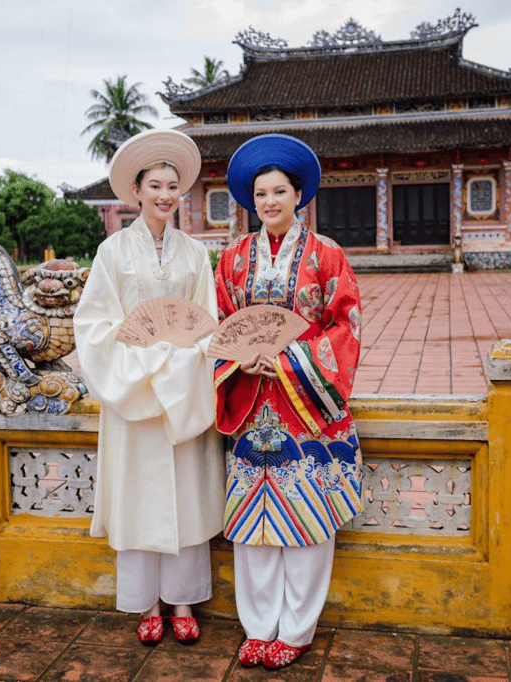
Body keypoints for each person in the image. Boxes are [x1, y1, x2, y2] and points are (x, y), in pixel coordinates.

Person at [214, 134, 363, 670]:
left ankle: (296, 630)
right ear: (251, 201)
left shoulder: (329, 256)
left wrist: (289, 360)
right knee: (252, 526)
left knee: (306, 521)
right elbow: (220, 330)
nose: (270, 202)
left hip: (309, 412)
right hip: (253, 409)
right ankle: (257, 628)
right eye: (261, 193)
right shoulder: (231, 261)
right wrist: (237, 361)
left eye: (280, 191)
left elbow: (346, 328)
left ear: (298, 195)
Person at [73, 129, 224, 646]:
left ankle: (183, 600)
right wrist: (148, 363)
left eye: (173, 186)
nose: (165, 195)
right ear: (136, 192)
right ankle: (148, 604)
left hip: (183, 392)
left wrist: (180, 360)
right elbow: (94, 328)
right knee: (142, 500)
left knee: (184, 496)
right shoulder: (112, 254)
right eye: (155, 185)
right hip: (134, 394)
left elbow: (208, 324)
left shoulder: (195, 255)